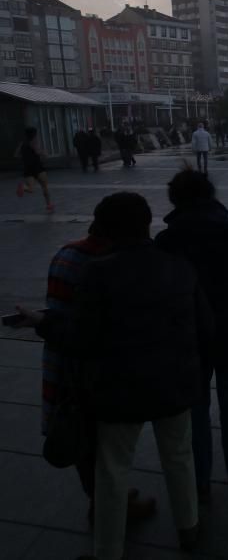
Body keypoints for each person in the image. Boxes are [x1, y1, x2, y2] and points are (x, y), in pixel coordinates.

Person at [22, 192, 211, 558]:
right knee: (179, 456)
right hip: (174, 384)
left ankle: (108, 549)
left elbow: (81, 338)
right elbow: (205, 326)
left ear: (106, 230)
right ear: (147, 223)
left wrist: (44, 323)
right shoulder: (178, 265)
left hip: (118, 391)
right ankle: (189, 528)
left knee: (112, 469)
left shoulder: (98, 273)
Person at [24, 222, 156, 528]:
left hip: (63, 364)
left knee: (83, 437)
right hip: (99, 370)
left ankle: (103, 497)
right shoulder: (109, 266)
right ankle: (109, 507)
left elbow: (58, 310)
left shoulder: (65, 255)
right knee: (105, 445)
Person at [155, 170, 228, 503]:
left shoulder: (167, 241)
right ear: (211, 194)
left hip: (188, 336)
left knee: (196, 409)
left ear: (177, 199)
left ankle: (199, 480)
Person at [14, 127, 54, 212]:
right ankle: (49, 204)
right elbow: (37, 151)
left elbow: (16, 155)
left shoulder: (22, 144)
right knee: (44, 187)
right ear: (35, 134)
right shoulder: (34, 142)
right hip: (38, 168)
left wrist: (25, 157)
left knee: (31, 189)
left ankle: (23, 187)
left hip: (28, 169)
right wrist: (45, 154)